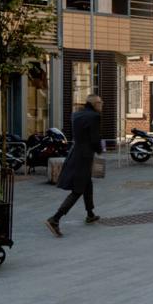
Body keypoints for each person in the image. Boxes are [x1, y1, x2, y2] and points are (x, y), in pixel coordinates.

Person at [46, 94, 103, 237]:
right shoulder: (95, 117)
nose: (102, 105)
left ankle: (90, 213)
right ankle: (55, 219)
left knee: (87, 184)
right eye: (100, 102)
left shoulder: (76, 114)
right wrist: (99, 149)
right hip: (84, 157)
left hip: (75, 153)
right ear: (94, 103)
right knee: (78, 189)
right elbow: (94, 138)